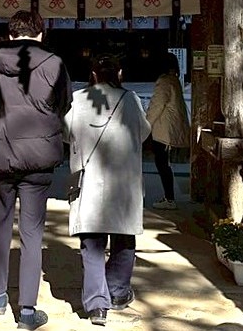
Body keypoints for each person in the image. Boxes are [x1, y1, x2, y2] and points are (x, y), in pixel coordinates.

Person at [0, 10, 72, 331]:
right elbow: (65, 104)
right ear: (41, 34)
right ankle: (28, 310)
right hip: (39, 159)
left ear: (9, 35)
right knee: (33, 232)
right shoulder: (54, 63)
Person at [64, 56, 151, 325]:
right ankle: (117, 292)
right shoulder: (131, 100)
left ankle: (96, 306)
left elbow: (66, 132)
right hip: (124, 181)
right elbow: (144, 132)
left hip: (90, 179)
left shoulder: (78, 99)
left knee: (91, 243)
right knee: (123, 239)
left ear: (93, 75)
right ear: (120, 74)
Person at [146, 51, 191, 209]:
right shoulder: (174, 80)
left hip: (163, 129)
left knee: (162, 163)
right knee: (164, 163)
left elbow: (156, 106)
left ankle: (169, 198)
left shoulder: (164, 82)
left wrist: (145, 124)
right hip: (169, 128)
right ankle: (169, 197)